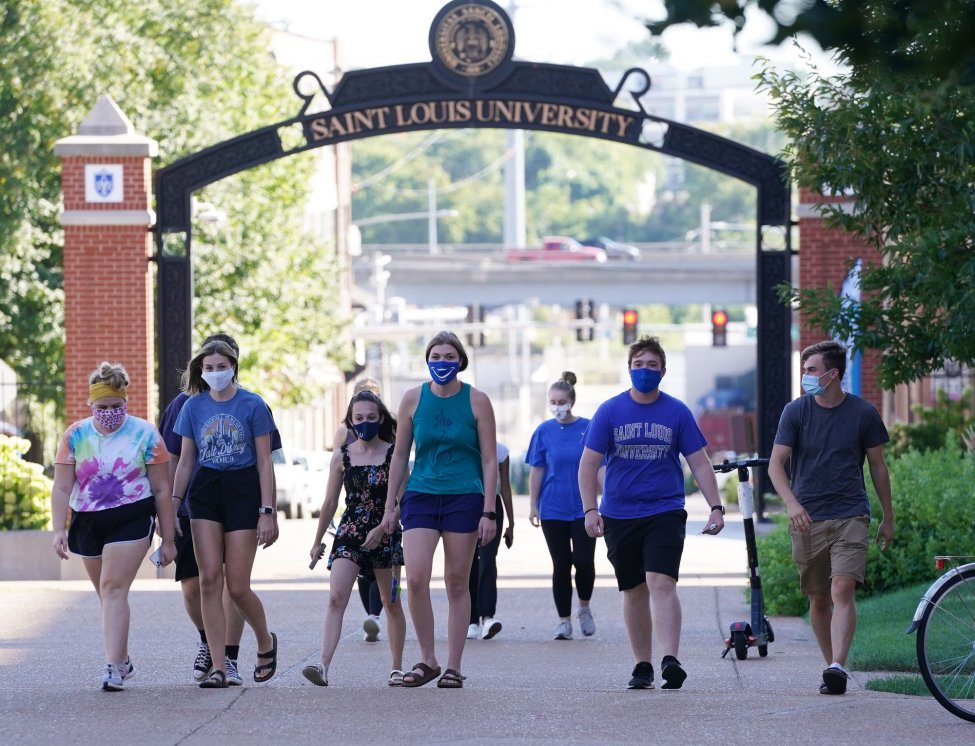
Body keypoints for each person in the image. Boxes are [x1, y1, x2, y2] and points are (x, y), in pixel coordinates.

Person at [578, 336, 724, 691]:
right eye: (639, 365)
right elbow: (587, 465)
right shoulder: (610, 411)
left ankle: (670, 659)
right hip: (620, 515)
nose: (645, 371)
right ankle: (642, 665)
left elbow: (700, 464)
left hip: (665, 510)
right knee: (633, 590)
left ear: (663, 371)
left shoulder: (676, 412)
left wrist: (716, 507)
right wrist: (590, 509)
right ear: (629, 369)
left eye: (652, 365)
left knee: (661, 581)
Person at [768, 340, 894, 696]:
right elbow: (777, 465)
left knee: (842, 588)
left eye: (811, 371)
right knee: (818, 597)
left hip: (851, 513)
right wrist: (791, 503)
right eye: (804, 370)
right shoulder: (795, 412)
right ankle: (832, 668)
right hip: (806, 518)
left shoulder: (863, 413)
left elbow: (878, 468)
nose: (805, 377)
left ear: (832, 373)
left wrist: (888, 516)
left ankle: (838, 663)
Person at [158, 332, 282, 685]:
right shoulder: (192, 407)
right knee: (209, 579)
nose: (215, 372)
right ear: (201, 370)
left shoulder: (253, 404)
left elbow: (263, 461)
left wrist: (267, 511)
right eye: (209, 367)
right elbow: (184, 462)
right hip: (205, 490)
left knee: (238, 586)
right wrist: (173, 506)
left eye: (221, 366)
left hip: (243, 489)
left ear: (233, 367)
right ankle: (218, 666)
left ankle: (264, 640)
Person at [379, 331, 498, 689]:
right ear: (427, 361)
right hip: (421, 495)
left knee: (456, 582)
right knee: (414, 579)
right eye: (436, 357)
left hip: (464, 496)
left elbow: (490, 459)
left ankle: (453, 666)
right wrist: (390, 505)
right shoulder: (413, 399)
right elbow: (400, 455)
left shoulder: (477, 401)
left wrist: (489, 511)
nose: (442, 363)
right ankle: (428, 658)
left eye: (449, 357)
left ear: (460, 361)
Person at [50, 362, 177, 691]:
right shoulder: (75, 434)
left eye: (115, 406)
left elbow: (162, 488)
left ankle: (111, 668)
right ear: (90, 405)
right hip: (87, 518)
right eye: (102, 407)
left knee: (113, 588)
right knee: (106, 594)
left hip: (132, 514)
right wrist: (58, 530)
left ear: (126, 402)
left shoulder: (145, 433)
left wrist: (168, 535)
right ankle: (122, 658)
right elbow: (62, 486)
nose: (109, 413)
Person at [303, 390, 406, 686]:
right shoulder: (342, 456)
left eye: (371, 418)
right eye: (358, 418)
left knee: (392, 601)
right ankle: (322, 665)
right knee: (336, 598)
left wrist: (386, 525)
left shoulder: (394, 454)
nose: (364, 423)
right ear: (349, 421)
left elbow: (403, 500)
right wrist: (318, 540)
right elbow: (330, 503)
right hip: (349, 534)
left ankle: (396, 667)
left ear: (381, 418)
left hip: (385, 535)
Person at [527, 371, 597, 640]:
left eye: (561, 401)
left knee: (584, 561)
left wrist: (605, 501)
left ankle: (584, 607)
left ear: (572, 401)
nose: (557, 406)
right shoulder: (543, 431)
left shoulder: (588, 427)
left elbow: (599, 467)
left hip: (583, 506)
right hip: (553, 508)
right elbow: (537, 470)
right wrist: (533, 505)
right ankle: (564, 621)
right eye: (552, 401)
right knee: (561, 564)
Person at [332, 377, 386, 642]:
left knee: (387, 583)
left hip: (384, 520)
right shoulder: (343, 435)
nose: (365, 420)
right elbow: (338, 469)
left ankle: (377, 615)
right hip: (353, 519)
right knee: (359, 572)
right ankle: (371, 615)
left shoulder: (389, 435)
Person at [467, 440, 515, 640]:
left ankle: (487, 617)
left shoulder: (501, 450)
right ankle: (470, 621)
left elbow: (505, 487)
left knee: (487, 560)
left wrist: (511, 524)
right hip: (466, 502)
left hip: (492, 506)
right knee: (467, 562)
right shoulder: (464, 443)